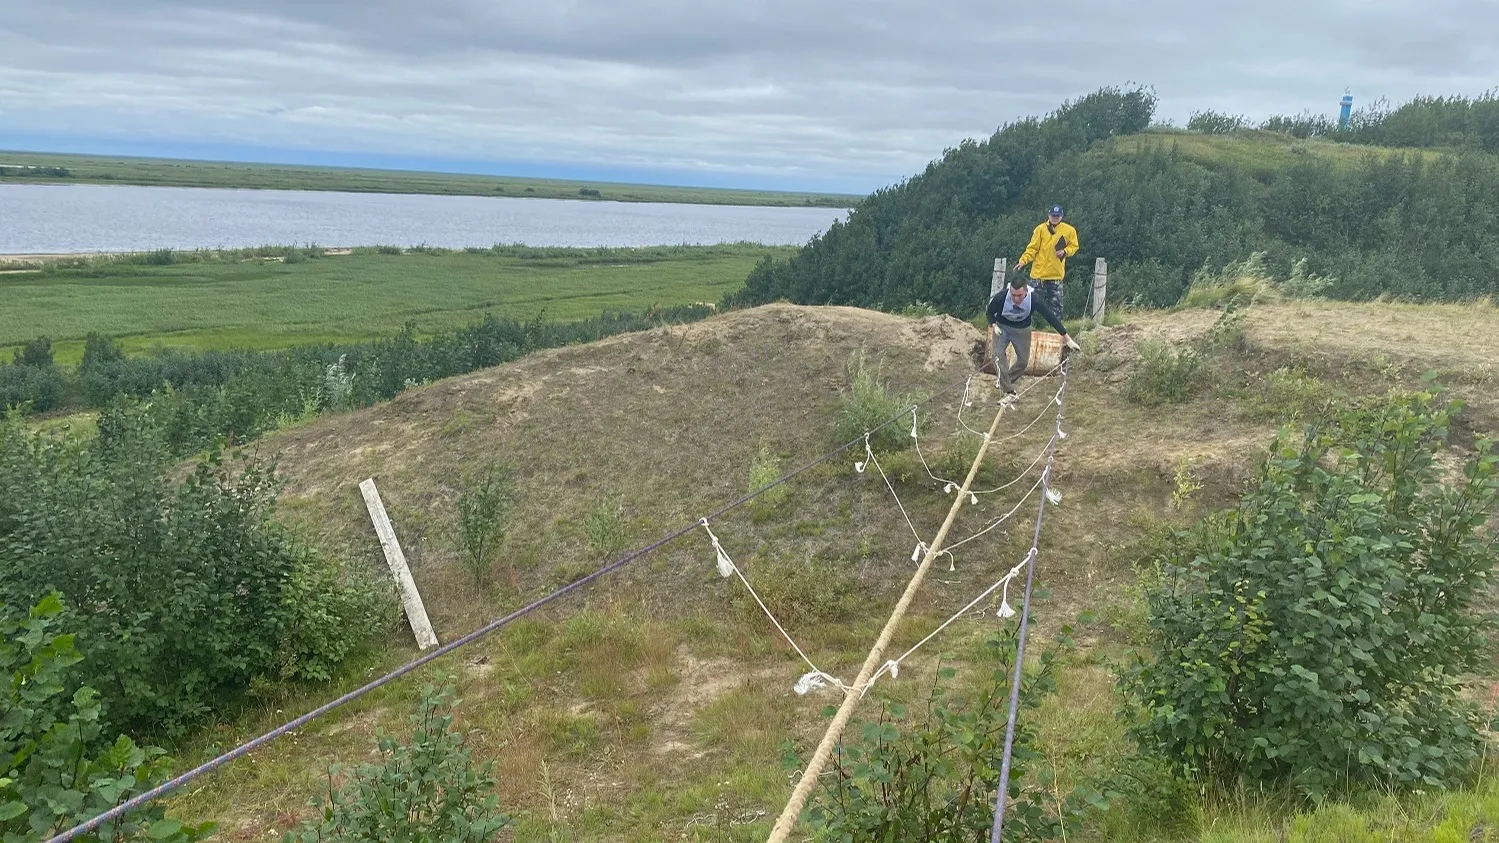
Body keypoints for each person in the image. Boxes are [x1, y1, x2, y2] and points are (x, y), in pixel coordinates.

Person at [987, 273, 1080, 402]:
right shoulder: (1001, 297)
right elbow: (989, 312)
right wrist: (993, 325)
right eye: (1013, 295)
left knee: (1023, 362)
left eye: (1019, 295)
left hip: (1022, 329)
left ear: (1026, 291)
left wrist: (1067, 338)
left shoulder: (1034, 299)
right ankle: (1010, 392)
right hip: (1002, 327)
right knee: (997, 355)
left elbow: (1050, 317)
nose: (1016, 299)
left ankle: (1005, 380)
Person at [1014, 204, 1079, 321]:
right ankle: (1028, 326)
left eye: (1057, 216)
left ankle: (1056, 330)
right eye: (1053, 216)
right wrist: (1023, 261)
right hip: (1038, 275)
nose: (1055, 218)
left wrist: (1065, 251)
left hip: (1056, 275)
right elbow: (1032, 249)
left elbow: (1074, 247)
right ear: (1049, 215)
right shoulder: (1040, 230)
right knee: (1030, 304)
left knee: (1056, 307)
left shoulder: (1070, 230)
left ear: (1061, 216)